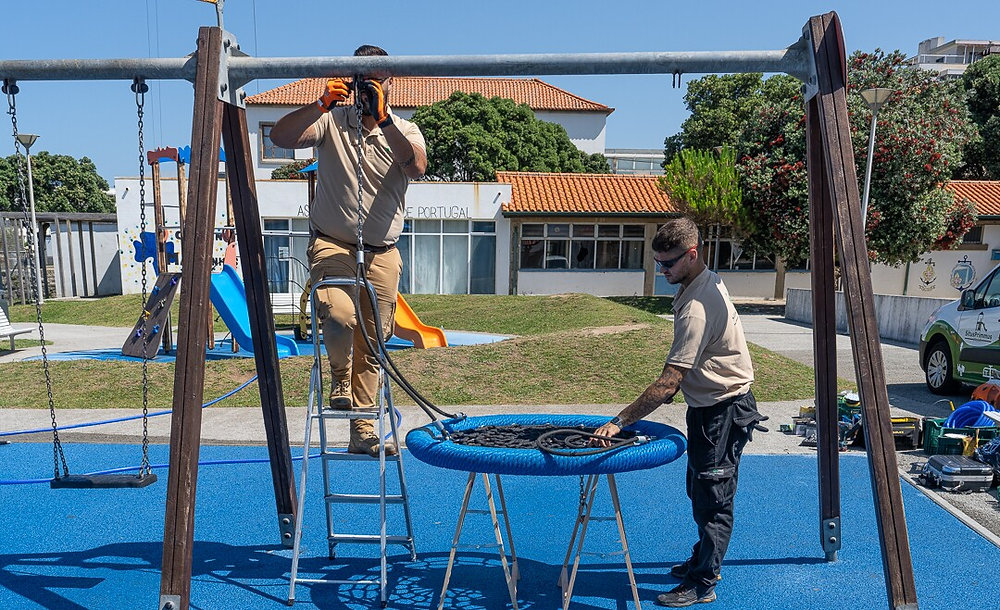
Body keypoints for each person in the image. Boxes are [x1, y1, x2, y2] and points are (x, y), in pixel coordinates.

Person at [591, 217, 763, 607]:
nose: (662, 271)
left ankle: (704, 582)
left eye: (668, 264)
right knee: (698, 489)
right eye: (657, 264)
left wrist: (619, 422)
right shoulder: (701, 280)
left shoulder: (697, 308)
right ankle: (702, 557)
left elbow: (669, 381)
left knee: (713, 499)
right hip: (707, 407)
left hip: (723, 411)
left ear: (691, 255)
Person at [270, 45, 427, 457]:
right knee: (339, 316)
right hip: (333, 243)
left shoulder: (404, 130)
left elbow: (416, 166)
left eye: (375, 81)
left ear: (390, 83)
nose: (366, 89)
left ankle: (362, 430)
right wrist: (322, 102)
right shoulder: (331, 121)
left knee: (376, 343)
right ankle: (339, 374)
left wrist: (384, 118)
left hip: (383, 252)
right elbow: (281, 137)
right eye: (361, 81)